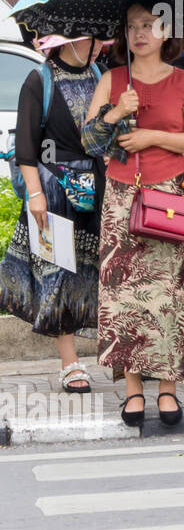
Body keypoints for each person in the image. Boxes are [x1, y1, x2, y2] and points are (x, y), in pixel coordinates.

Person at [81, 1, 184, 426]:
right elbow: (89, 141)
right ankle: (133, 391)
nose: (139, 34)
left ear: (165, 33)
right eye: (132, 27)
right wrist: (116, 112)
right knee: (124, 298)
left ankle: (168, 389)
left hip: (170, 193)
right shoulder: (113, 79)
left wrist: (151, 135)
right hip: (121, 198)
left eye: (149, 25)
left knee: (170, 295)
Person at [0, 34, 105, 394]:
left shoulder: (99, 74)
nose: (98, 45)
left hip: (97, 187)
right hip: (53, 189)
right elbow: (26, 146)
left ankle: (119, 357)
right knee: (57, 271)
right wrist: (35, 195)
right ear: (68, 42)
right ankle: (70, 362)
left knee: (95, 272)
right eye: (91, 40)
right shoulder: (39, 79)